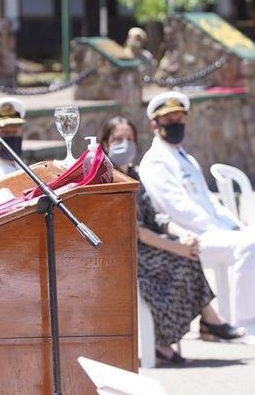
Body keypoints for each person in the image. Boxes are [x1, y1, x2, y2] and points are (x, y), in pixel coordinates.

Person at [138, 91, 255, 344]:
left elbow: (209, 199)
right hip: (189, 236)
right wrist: (220, 229)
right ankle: (245, 322)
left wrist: (233, 223)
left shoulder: (185, 158)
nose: (176, 124)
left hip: (216, 229)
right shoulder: (155, 162)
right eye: (169, 120)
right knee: (248, 246)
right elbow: (176, 207)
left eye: (180, 117)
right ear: (155, 125)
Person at [99, 116, 244, 363]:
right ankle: (190, 328)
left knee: (189, 255)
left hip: (147, 246)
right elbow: (137, 231)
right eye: (118, 140)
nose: (125, 144)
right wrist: (177, 247)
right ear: (104, 144)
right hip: (126, 252)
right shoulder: (106, 179)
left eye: (130, 139)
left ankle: (176, 334)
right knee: (182, 260)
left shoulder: (134, 174)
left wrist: (182, 235)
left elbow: (157, 216)